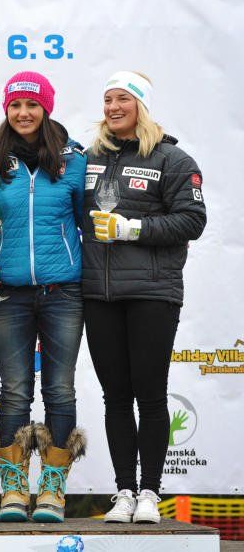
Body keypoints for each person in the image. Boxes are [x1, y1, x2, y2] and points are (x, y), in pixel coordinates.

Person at [84, 71, 206, 524]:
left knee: (150, 396)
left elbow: (193, 220)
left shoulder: (172, 159)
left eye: (123, 99)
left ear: (142, 106)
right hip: (99, 293)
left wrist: (133, 228)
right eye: (107, 99)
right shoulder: (90, 158)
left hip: (153, 293)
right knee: (115, 397)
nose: (113, 107)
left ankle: (151, 492)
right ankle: (124, 492)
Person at [0, 71, 87, 523]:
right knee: (14, 390)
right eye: (15, 105)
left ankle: (53, 490)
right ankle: (14, 490)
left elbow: (86, 221)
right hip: (10, 295)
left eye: (32, 105)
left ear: (46, 108)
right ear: (6, 109)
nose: (23, 113)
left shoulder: (74, 159)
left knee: (60, 388)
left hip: (63, 291)